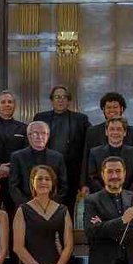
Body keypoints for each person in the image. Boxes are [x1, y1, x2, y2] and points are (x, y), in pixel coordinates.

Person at [34, 85, 91, 215]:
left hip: (71, 174)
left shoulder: (80, 119)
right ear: (51, 100)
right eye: (57, 97)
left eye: (64, 97)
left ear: (68, 100)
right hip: (45, 171)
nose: (60, 100)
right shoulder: (40, 118)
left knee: (67, 210)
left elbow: (90, 142)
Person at [81, 92, 133, 185]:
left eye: (115, 107)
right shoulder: (92, 132)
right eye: (108, 107)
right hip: (99, 186)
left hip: (127, 185)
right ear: (103, 109)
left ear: (121, 109)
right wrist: (83, 184)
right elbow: (86, 159)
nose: (112, 110)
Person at [9, 121, 67, 207]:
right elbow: (13, 186)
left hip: (51, 207)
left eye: (43, 133)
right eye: (35, 133)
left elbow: (63, 186)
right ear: (29, 136)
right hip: (25, 206)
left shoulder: (58, 157)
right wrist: (28, 206)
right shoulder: (17, 157)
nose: (40, 137)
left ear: (48, 136)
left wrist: (51, 204)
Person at [85, 116, 133, 194]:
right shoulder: (94, 153)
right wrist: (107, 195)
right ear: (106, 132)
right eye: (112, 129)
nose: (115, 132)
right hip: (101, 198)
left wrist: (125, 196)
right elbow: (92, 179)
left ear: (124, 132)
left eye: (119, 129)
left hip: (129, 198)